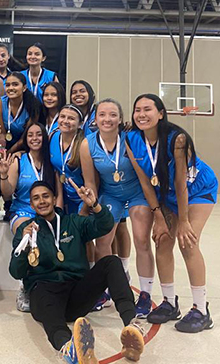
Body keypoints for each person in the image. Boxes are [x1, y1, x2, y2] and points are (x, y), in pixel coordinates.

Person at [9, 180, 146, 363]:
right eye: (36, 198)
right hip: (45, 293)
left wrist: (94, 205)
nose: (41, 201)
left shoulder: (72, 222)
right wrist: (24, 244)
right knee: (43, 296)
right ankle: (70, 348)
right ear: (31, 204)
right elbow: (16, 272)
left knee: (111, 262)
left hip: (76, 295)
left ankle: (132, 326)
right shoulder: (26, 230)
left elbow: (104, 226)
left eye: (45, 196)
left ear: (54, 198)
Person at [126, 94, 218, 333]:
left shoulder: (177, 139)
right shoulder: (131, 139)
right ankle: (169, 302)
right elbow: (146, 183)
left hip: (196, 189)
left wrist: (184, 221)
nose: (141, 114)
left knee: (188, 242)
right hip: (164, 194)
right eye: (137, 110)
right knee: (163, 240)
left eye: (148, 109)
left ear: (161, 113)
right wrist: (158, 217)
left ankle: (201, 309)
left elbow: (180, 183)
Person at [82, 98, 155, 317]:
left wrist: (155, 207)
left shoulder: (131, 140)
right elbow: (91, 182)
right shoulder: (87, 144)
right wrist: (92, 204)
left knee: (142, 239)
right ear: (95, 119)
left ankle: (145, 294)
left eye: (113, 114)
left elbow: (144, 176)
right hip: (110, 194)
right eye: (102, 114)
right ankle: (106, 289)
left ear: (121, 119)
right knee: (102, 241)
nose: (107, 119)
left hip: (136, 192)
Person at [0, 122, 58, 312]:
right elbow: (7, 194)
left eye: (38, 135)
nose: (34, 138)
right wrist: (3, 175)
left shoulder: (52, 161)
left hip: (48, 211)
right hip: (23, 210)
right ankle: (25, 286)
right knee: (29, 232)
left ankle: (51, 283)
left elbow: (59, 195)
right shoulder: (19, 160)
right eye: (30, 135)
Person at [49, 104, 88, 214]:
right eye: (62, 117)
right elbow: (56, 171)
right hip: (66, 197)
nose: (65, 121)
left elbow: (92, 181)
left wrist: (86, 207)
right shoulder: (52, 137)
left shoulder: (84, 145)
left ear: (80, 124)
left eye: (71, 118)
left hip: (83, 197)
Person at [0, 72, 40, 154]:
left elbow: (25, 137)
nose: (11, 88)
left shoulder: (33, 106)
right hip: (6, 144)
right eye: (7, 85)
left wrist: (9, 154)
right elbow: (2, 134)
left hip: (26, 147)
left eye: (15, 84)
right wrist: (0, 154)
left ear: (24, 88)